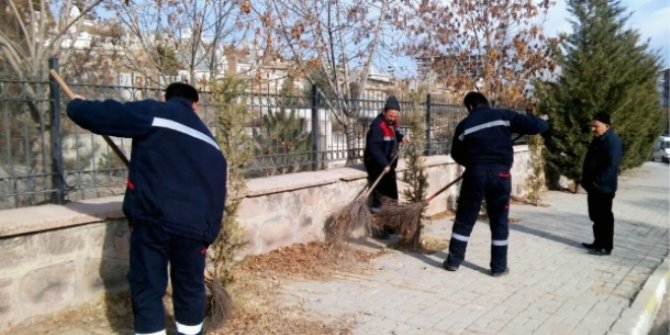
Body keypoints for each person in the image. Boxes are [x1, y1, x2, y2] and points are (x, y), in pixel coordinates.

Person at [67, 83, 227, 335]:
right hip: (195, 230)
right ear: (195, 104)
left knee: (148, 287)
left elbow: (106, 115)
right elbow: (218, 193)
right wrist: (208, 235)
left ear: (167, 98)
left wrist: (76, 105)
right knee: (190, 288)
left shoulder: (156, 113)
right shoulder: (211, 143)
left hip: (154, 220)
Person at [444, 91, 548, 277]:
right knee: (499, 220)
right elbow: (537, 126)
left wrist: (474, 164)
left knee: (465, 219)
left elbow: (456, 154)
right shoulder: (504, 115)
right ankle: (498, 268)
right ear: (487, 102)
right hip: (500, 175)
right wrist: (540, 119)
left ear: (469, 107)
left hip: (474, 174)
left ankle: (453, 261)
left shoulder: (464, 125)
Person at [363, 96, 409, 239]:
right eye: (390, 115)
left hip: (389, 166)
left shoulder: (392, 123)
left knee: (392, 197)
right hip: (377, 166)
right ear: (384, 112)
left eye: (395, 116)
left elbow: (395, 133)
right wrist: (383, 163)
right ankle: (379, 229)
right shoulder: (377, 126)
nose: (392, 118)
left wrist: (402, 137)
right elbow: (373, 148)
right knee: (380, 199)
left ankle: (390, 226)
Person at [580, 112, 623, 256]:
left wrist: (597, 181)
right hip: (593, 186)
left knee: (604, 218)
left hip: (603, 187)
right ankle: (597, 242)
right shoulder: (598, 138)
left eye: (596, 126)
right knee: (595, 217)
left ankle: (606, 246)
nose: (593, 129)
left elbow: (612, 165)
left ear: (606, 126)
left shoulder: (613, 141)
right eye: (592, 126)